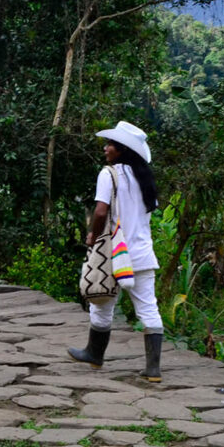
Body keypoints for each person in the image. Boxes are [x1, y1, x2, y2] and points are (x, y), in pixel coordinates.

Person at [68, 121, 164, 382]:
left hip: (114, 254)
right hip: (142, 253)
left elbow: (101, 211)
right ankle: (153, 369)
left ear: (121, 150)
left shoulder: (109, 174)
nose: (105, 148)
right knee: (148, 308)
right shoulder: (145, 179)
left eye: (110, 145)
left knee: (102, 303)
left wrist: (92, 235)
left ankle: (94, 354)